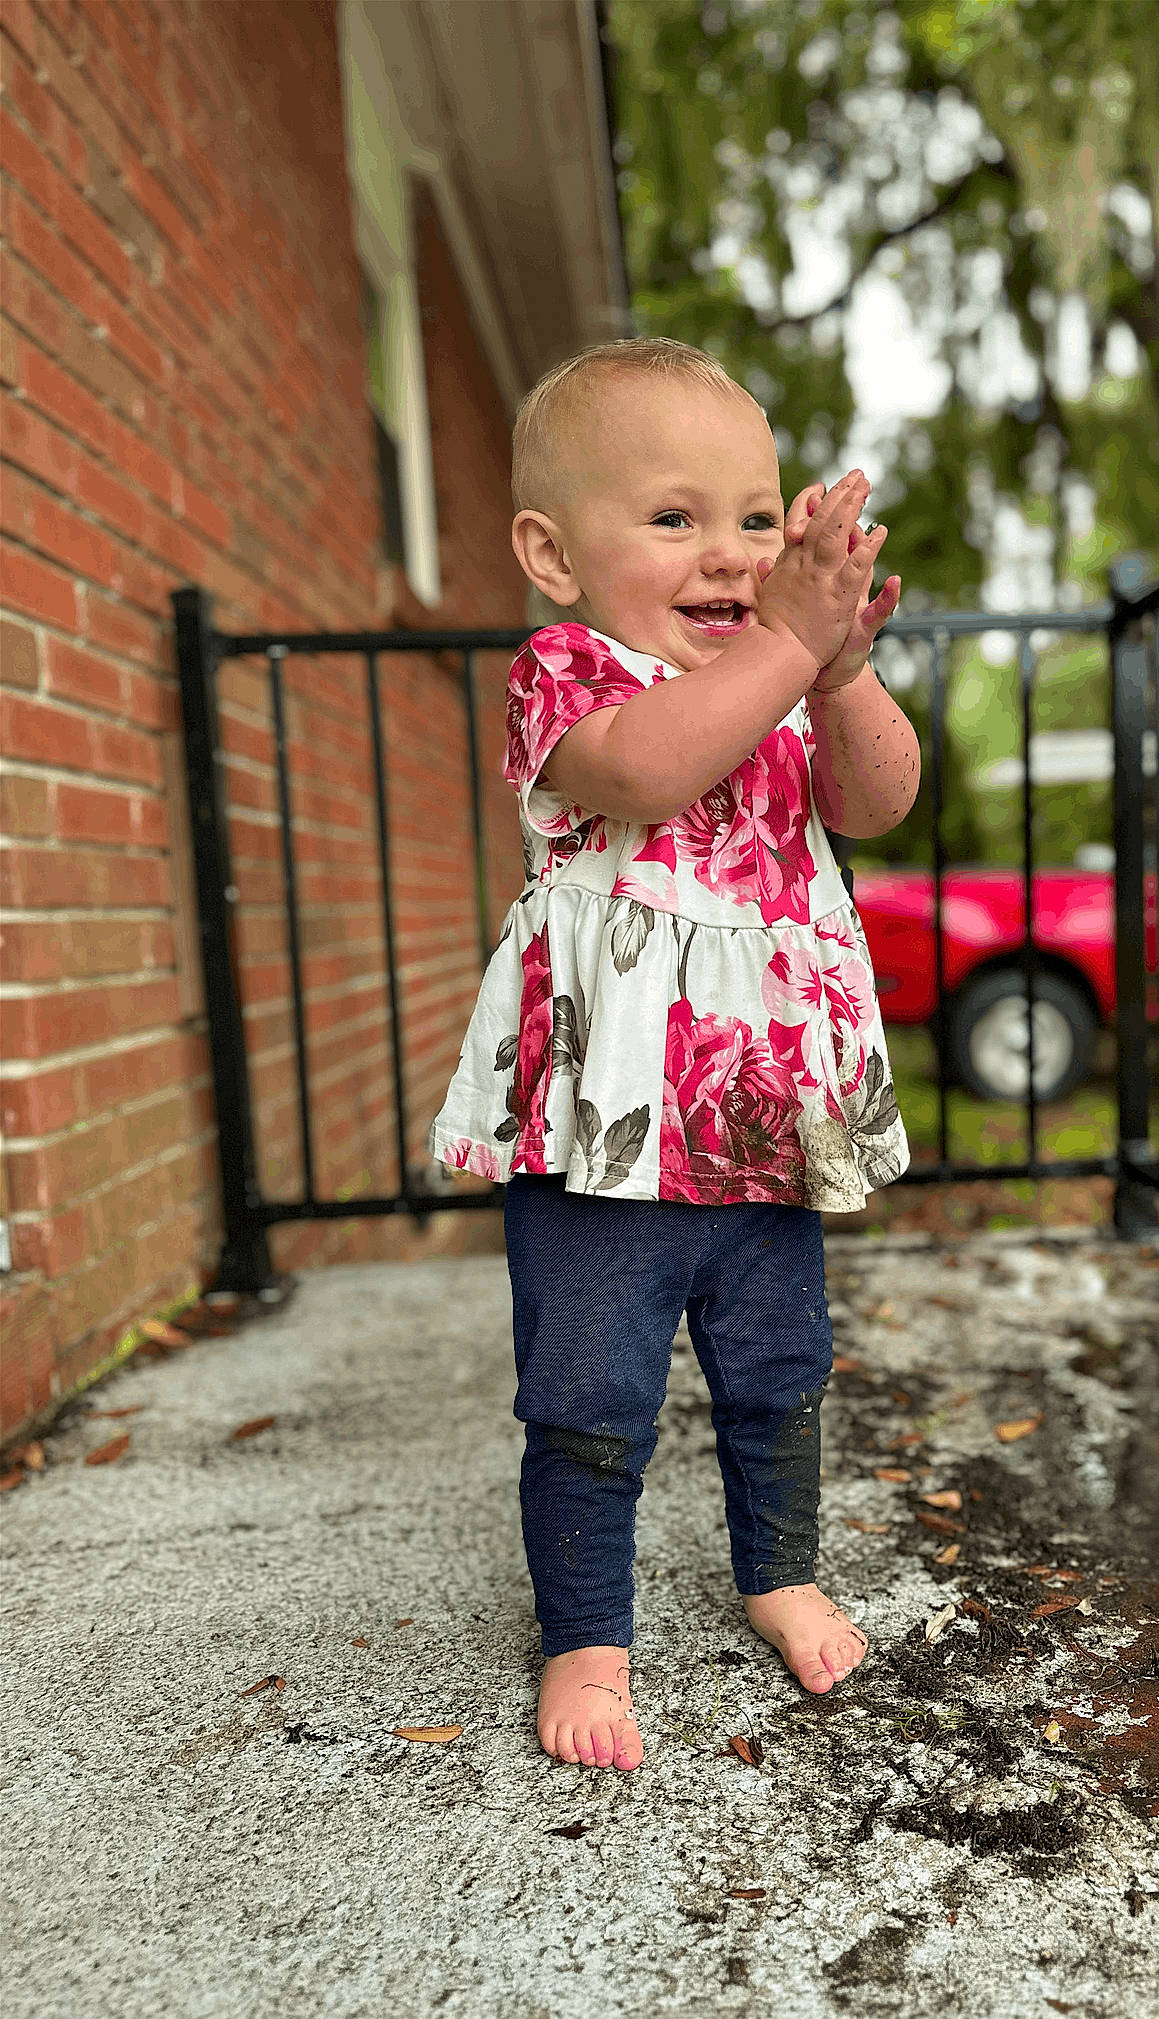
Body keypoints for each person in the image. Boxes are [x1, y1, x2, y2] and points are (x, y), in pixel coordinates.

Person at [431, 338, 920, 1771]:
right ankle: (586, 1639)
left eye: (758, 519)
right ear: (554, 552)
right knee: (590, 1393)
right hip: (609, 1136)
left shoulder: (773, 689)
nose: (730, 553)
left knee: (780, 1368)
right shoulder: (568, 678)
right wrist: (781, 645)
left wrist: (841, 674)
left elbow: (879, 804)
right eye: (674, 518)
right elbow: (651, 770)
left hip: (760, 1127)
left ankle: (776, 1572)